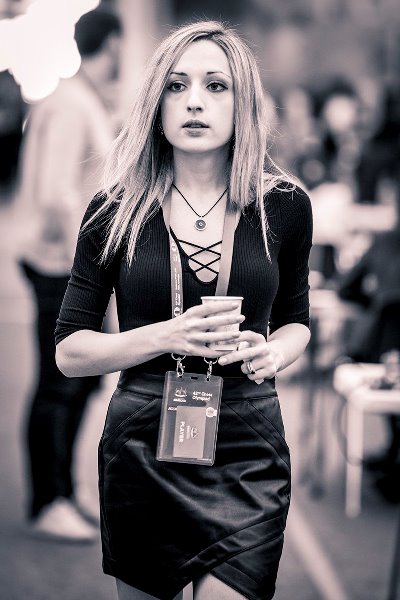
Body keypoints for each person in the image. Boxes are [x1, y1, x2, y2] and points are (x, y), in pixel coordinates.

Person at [56, 21, 312, 600]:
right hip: (143, 444)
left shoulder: (285, 205)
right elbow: (70, 352)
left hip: (247, 442)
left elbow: (297, 322)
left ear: (243, 102)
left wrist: (274, 352)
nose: (194, 101)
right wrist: (166, 335)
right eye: (176, 85)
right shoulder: (114, 209)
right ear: (156, 101)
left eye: (216, 85)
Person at [17, 6, 122, 542]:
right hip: (60, 265)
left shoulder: (80, 100)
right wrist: (89, 267)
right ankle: (48, 499)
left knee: (79, 381)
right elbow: (57, 192)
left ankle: (63, 490)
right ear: (112, 45)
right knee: (59, 382)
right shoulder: (71, 103)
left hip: (69, 264)